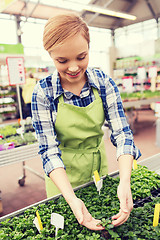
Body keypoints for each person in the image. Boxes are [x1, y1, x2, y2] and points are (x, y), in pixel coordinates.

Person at [32, 13, 141, 231]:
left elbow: (122, 134)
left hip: (97, 168)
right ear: (50, 55)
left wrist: (124, 181)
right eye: (62, 61)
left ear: (89, 48)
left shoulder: (103, 83)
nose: (73, 68)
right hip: (61, 177)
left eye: (81, 57)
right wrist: (71, 198)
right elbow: (49, 150)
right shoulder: (43, 93)